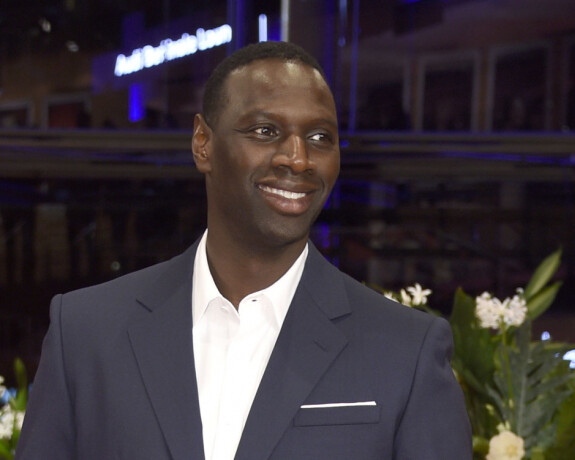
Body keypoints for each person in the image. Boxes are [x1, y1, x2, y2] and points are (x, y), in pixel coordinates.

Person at [16, 41, 472, 459]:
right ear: (203, 144)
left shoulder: (406, 351)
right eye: (265, 130)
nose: (297, 158)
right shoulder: (86, 333)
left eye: (320, 138)